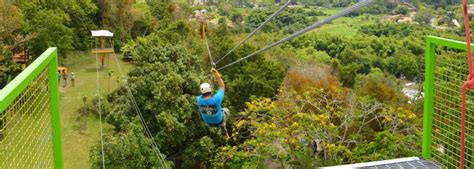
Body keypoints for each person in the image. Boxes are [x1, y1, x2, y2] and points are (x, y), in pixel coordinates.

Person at [197, 68, 230, 137]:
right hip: (218, 120)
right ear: (210, 90)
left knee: (213, 110)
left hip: (208, 121)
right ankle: (223, 124)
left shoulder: (199, 100)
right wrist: (217, 76)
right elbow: (222, 86)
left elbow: (208, 89)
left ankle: (220, 123)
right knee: (226, 110)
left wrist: (212, 78)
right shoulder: (217, 98)